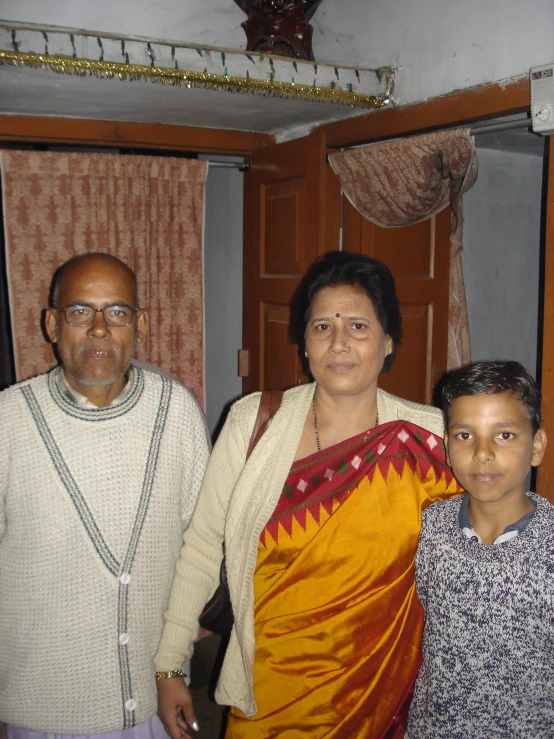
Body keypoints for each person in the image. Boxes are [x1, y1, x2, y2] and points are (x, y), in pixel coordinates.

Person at [155, 250, 462, 739]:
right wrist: (170, 666)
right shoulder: (255, 424)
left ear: (388, 342)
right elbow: (201, 545)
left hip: (383, 700)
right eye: (322, 327)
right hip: (268, 697)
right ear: (305, 345)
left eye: (358, 326)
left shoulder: (432, 440)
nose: (338, 343)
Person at [0, 253, 210, 737]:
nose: (99, 328)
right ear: (52, 324)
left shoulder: (174, 411)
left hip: (147, 703)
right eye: (80, 311)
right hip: (40, 706)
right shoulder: (10, 421)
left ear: (140, 324)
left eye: (116, 312)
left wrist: (171, 668)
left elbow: (200, 550)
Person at [407, 360, 553, 738]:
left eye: (504, 435)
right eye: (465, 436)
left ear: (536, 446)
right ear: (446, 447)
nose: (483, 453)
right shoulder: (429, 528)